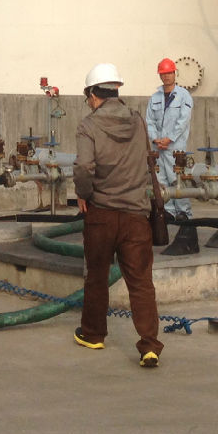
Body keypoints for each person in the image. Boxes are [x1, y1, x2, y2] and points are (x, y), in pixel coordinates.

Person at [72, 62, 164, 368]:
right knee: (141, 282)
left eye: (87, 98)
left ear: (93, 95)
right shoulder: (138, 121)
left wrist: (83, 193)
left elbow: (84, 167)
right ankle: (149, 346)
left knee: (97, 276)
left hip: (101, 214)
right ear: (116, 91)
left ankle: (93, 334)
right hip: (136, 215)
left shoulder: (88, 126)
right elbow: (146, 161)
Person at [145, 57, 194, 222]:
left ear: (174, 73)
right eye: (163, 74)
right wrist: (155, 139)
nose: (166, 76)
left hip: (175, 148)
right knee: (161, 181)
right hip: (158, 147)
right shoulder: (154, 98)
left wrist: (169, 139)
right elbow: (149, 121)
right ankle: (169, 211)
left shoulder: (184, 96)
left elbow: (183, 121)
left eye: (169, 73)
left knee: (177, 180)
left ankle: (184, 213)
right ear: (159, 75)